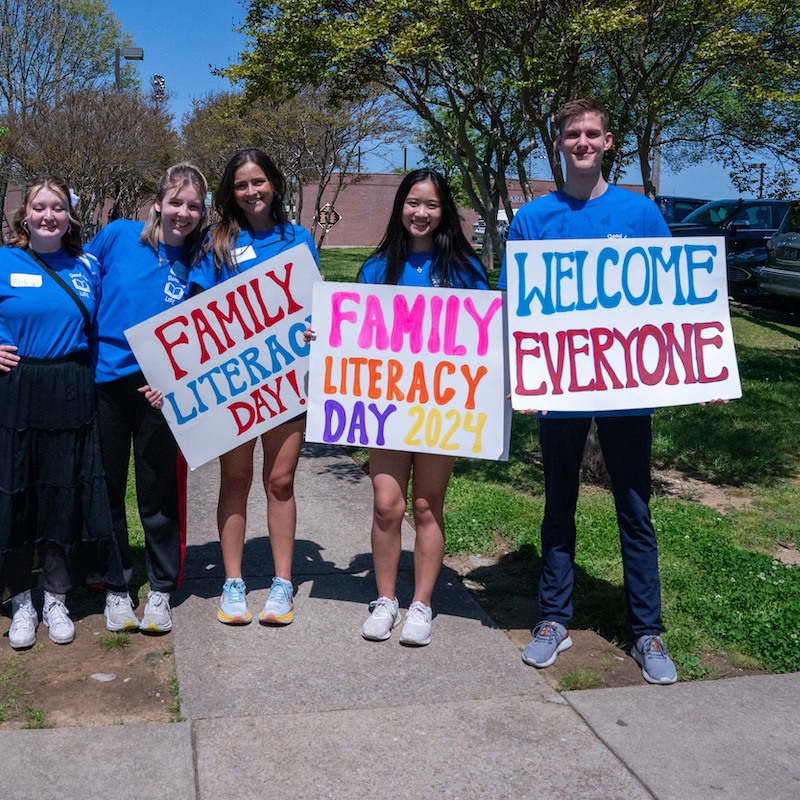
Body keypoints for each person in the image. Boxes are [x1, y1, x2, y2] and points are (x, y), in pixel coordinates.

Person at [498, 98, 678, 684]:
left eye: (591, 133)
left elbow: (675, 302)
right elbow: (513, 311)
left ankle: (647, 632)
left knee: (634, 504)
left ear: (607, 142)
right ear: (559, 142)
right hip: (558, 388)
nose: (582, 142)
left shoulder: (642, 212)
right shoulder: (531, 220)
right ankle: (554, 619)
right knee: (559, 501)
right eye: (572, 133)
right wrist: (519, 378)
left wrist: (701, 372)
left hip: (627, 389)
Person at [356, 168, 488, 646]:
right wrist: (326, 338)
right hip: (387, 410)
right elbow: (353, 339)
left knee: (428, 506)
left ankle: (421, 604)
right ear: (400, 207)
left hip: (440, 410)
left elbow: (484, 341)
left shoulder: (465, 270)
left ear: (444, 211)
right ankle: (386, 599)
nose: (421, 213)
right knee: (387, 506)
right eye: (413, 202)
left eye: (431, 205)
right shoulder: (375, 269)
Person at [188, 148, 319, 626]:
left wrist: (312, 329)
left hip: (286, 380)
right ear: (230, 192)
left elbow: (313, 303)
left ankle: (283, 584)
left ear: (275, 185)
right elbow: (200, 314)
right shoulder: (216, 242)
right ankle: (234, 581)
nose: (252, 191)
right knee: (236, 481)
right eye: (242, 185)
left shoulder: (298, 238)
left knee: (280, 481)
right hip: (235, 386)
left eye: (259, 182)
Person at [0, 175, 122, 648]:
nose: (49, 215)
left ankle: (55, 596)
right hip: (18, 388)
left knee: (63, 493)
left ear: (69, 216)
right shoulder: (5, 260)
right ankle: (21, 601)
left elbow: (109, 323)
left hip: (71, 388)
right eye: (40, 207)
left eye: (58, 208)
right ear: (24, 215)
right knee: (19, 493)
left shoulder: (86, 265)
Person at [87, 163, 209, 634]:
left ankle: (160, 587)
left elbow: (211, 328)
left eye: (193, 205)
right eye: (175, 202)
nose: (182, 212)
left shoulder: (201, 256)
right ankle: (115, 587)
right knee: (108, 484)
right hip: (106, 384)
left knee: (158, 492)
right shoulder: (117, 236)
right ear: (157, 202)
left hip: (163, 391)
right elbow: (78, 285)